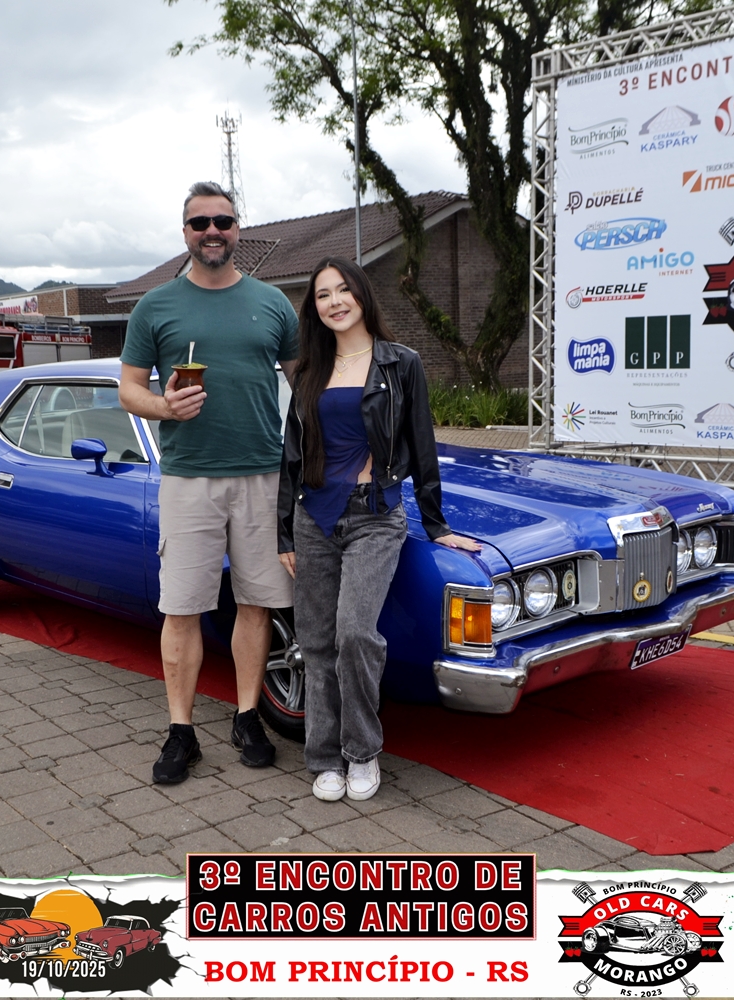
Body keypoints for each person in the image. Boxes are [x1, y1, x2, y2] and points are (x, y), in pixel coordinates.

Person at [277, 257, 480, 802]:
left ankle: (362, 751)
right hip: (313, 517)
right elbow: (291, 456)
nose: (334, 301)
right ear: (314, 308)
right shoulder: (309, 369)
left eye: (343, 289)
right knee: (315, 642)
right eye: (323, 294)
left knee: (354, 634)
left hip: (375, 515)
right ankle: (323, 758)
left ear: (362, 294)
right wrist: (284, 534)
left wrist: (435, 523)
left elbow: (422, 444)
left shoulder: (400, 363)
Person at [119, 181, 299, 784]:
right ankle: (181, 731)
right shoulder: (155, 306)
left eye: (223, 221)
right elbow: (129, 390)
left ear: (237, 229)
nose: (213, 231)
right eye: (201, 223)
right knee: (182, 608)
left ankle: (247, 717)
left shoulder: (273, 303)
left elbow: (308, 383)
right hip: (189, 478)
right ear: (186, 233)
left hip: (263, 474)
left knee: (257, 602)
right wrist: (164, 407)